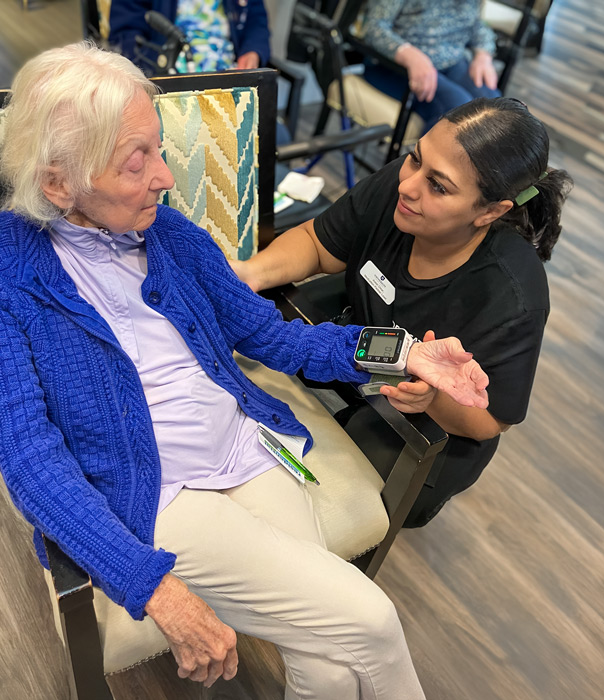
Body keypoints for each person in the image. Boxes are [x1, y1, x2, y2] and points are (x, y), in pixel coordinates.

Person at [0, 42, 490, 698]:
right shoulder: (5, 274)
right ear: (58, 182)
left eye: (160, 148)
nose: (166, 176)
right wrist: (148, 582)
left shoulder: (170, 235)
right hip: (155, 495)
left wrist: (404, 350)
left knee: (327, 661)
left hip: (246, 446)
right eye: (140, 160)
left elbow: (274, 338)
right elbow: (30, 461)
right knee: (372, 619)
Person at [232, 97, 573, 528]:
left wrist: (433, 398)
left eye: (439, 186)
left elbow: (489, 420)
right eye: (415, 157)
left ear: (490, 211)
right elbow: (319, 242)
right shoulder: (406, 186)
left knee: (321, 504)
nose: (407, 185)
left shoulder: (511, 294)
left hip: (429, 428)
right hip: (362, 355)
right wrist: (251, 272)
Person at [360, 0, 502, 134]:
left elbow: (474, 23)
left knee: (495, 110)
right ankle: (424, 159)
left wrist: (483, 56)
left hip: (453, 62)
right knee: (458, 112)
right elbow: (374, 27)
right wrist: (410, 56)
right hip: (395, 65)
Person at [109, 0, 270, 74]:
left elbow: (256, 19)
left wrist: (252, 51)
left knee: (270, 133)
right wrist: (153, 71)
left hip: (230, 73)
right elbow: (126, 34)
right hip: (167, 75)